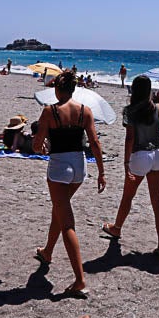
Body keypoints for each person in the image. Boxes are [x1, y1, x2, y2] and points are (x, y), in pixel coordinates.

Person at [32, 71, 105, 297]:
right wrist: (102, 172)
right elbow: (94, 143)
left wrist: (41, 146)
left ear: (57, 89)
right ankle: (47, 251)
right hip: (80, 167)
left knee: (68, 224)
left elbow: (36, 145)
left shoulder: (49, 111)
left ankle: (80, 279)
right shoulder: (85, 111)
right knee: (60, 209)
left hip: (59, 167)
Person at [102, 75, 159, 260]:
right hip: (157, 156)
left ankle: (116, 228)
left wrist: (126, 163)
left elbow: (129, 138)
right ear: (149, 90)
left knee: (128, 196)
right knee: (157, 202)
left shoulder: (130, 110)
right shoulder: (157, 108)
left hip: (140, 155)